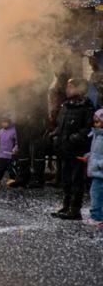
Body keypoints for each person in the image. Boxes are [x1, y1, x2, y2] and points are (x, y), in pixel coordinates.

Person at [50, 78, 94, 220]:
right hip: (64, 149)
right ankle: (66, 205)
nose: (67, 89)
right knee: (66, 180)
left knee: (76, 180)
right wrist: (55, 135)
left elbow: (87, 129)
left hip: (76, 151)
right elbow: (59, 125)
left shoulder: (86, 106)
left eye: (71, 86)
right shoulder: (66, 105)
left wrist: (73, 139)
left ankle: (75, 209)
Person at [85, 109, 103, 228]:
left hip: (100, 171)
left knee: (96, 194)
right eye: (94, 121)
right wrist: (89, 156)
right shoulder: (96, 135)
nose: (95, 124)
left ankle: (97, 217)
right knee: (96, 193)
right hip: (97, 170)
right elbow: (95, 151)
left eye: (98, 121)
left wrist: (99, 164)